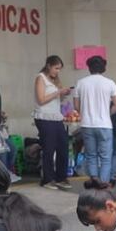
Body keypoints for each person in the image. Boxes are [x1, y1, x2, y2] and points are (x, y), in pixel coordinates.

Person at [73, 55, 116, 188]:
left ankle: (94, 179)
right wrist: (108, 113)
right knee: (106, 157)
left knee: (91, 154)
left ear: (89, 67)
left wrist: (85, 113)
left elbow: (76, 106)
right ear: (103, 67)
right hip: (105, 125)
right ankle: (104, 183)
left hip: (87, 125)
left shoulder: (80, 83)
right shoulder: (110, 83)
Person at [32, 55, 73, 190]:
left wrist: (63, 94)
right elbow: (41, 99)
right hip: (44, 117)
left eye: (60, 69)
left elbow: (57, 100)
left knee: (63, 145)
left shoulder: (56, 80)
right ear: (49, 65)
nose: (57, 71)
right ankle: (47, 179)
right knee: (49, 147)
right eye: (56, 68)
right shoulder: (40, 78)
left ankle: (61, 177)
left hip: (56, 116)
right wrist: (57, 93)